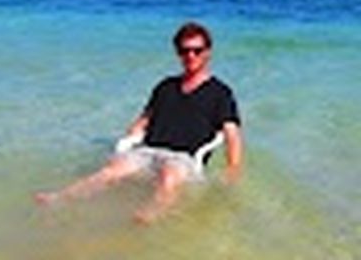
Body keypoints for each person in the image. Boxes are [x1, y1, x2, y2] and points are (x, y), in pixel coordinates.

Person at [35, 22, 243, 224]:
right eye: (184, 50)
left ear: (208, 52)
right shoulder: (165, 86)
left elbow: (231, 133)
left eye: (197, 50)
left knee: (169, 176)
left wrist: (233, 168)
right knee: (112, 170)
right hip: (149, 151)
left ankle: (147, 218)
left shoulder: (220, 93)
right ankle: (60, 199)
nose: (190, 56)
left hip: (183, 157)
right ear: (177, 53)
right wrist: (129, 139)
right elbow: (145, 118)